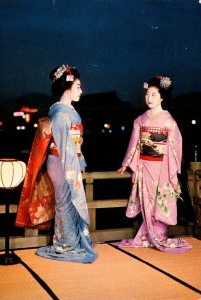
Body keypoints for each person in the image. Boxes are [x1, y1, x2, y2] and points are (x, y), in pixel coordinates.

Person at [16, 64, 97, 263]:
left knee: (68, 202)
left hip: (66, 160)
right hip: (62, 162)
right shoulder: (60, 113)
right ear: (67, 87)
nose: (81, 90)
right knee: (65, 203)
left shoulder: (65, 110)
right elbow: (66, 146)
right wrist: (76, 164)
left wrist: (80, 160)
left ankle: (70, 241)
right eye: (78, 86)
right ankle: (66, 244)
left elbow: (75, 144)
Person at [114, 76, 192, 253]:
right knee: (147, 201)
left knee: (161, 201)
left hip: (162, 167)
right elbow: (134, 143)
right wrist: (126, 163)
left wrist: (174, 171)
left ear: (162, 97)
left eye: (154, 95)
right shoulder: (140, 120)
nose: (149, 98)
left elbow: (175, 148)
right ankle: (149, 237)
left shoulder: (169, 122)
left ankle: (159, 236)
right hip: (144, 166)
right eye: (147, 94)